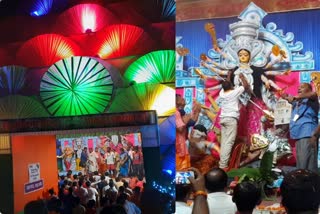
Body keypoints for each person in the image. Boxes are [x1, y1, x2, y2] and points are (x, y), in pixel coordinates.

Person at [282, 83, 319, 172]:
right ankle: (304, 183)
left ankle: (310, 184)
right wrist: (286, 97)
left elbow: (313, 94)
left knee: (306, 165)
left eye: (302, 87)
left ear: (309, 89)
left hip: (308, 134)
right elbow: (290, 99)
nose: (299, 89)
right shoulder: (299, 102)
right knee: (302, 164)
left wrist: (295, 97)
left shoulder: (312, 99)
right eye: (298, 88)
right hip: (299, 135)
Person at [219, 74, 249, 170]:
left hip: (223, 119)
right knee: (229, 143)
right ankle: (223, 166)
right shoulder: (234, 93)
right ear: (231, 87)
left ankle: (222, 164)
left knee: (224, 143)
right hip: (231, 119)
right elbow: (246, 86)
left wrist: (228, 75)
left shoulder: (222, 93)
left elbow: (227, 84)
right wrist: (242, 77)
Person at [176, 94, 201, 171]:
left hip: (182, 146)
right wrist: (190, 114)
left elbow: (191, 122)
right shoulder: (175, 112)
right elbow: (180, 128)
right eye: (180, 98)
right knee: (180, 172)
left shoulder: (181, 112)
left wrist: (197, 111)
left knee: (184, 171)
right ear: (176, 101)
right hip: (177, 148)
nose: (183, 98)